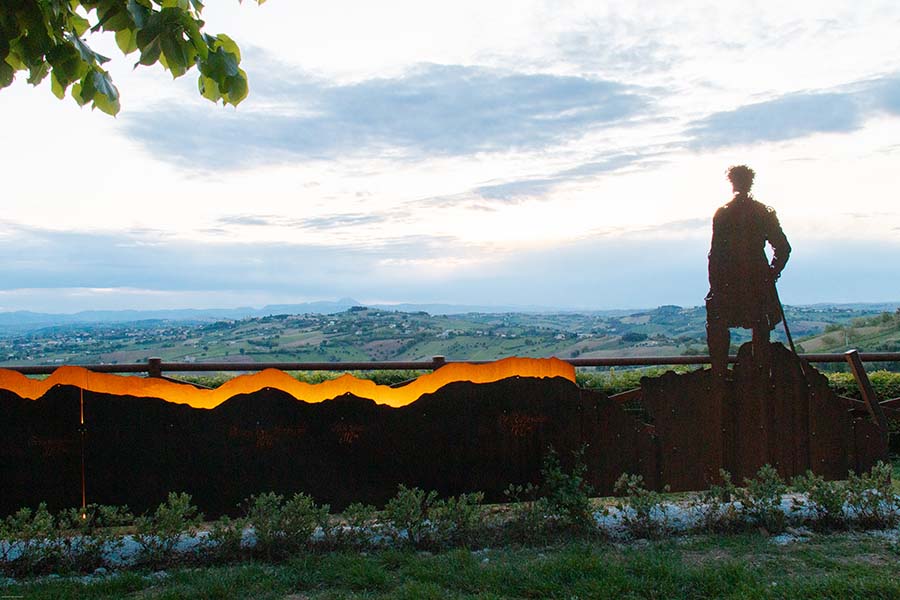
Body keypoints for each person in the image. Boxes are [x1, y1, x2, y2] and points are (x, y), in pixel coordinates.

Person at [706, 165, 791, 378]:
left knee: (717, 323)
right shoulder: (763, 212)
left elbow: (715, 254)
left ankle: (719, 373)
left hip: (729, 280)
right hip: (757, 278)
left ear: (732, 183)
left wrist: (715, 285)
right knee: (760, 326)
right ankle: (760, 373)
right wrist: (771, 273)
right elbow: (783, 248)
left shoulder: (724, 213)